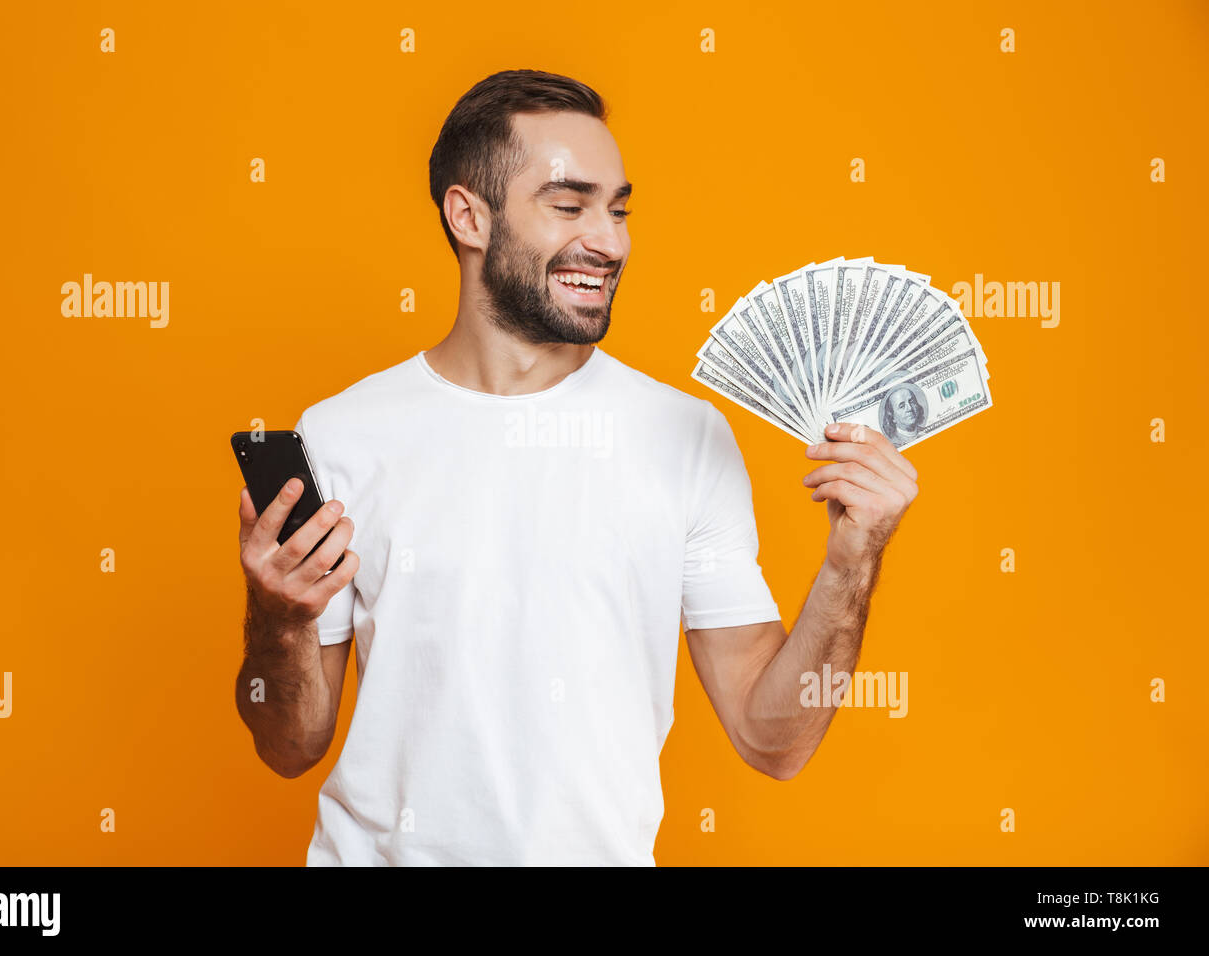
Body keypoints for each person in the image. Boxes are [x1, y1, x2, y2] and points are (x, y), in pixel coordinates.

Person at [234, 69, 920, 866]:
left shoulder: (685, 436)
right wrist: (276, 618)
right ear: (469, 216)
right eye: (570, 206)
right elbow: (288, 747)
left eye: (619, 208)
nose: (612, 240)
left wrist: (852, 561)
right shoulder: (342, 433)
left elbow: (776, 742)